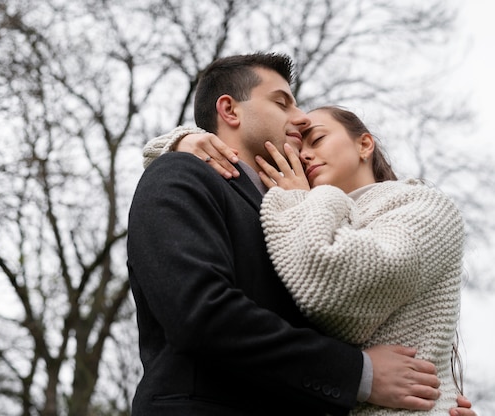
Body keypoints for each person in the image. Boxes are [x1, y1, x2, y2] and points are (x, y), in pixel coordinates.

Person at [129, 52, 474, 416]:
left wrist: (439, 401)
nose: (298, 119)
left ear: (365, 145)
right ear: (230, 111)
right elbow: (200, 313)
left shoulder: (292, 210)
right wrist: (362, 374)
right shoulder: (183, 173)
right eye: (282, 103)